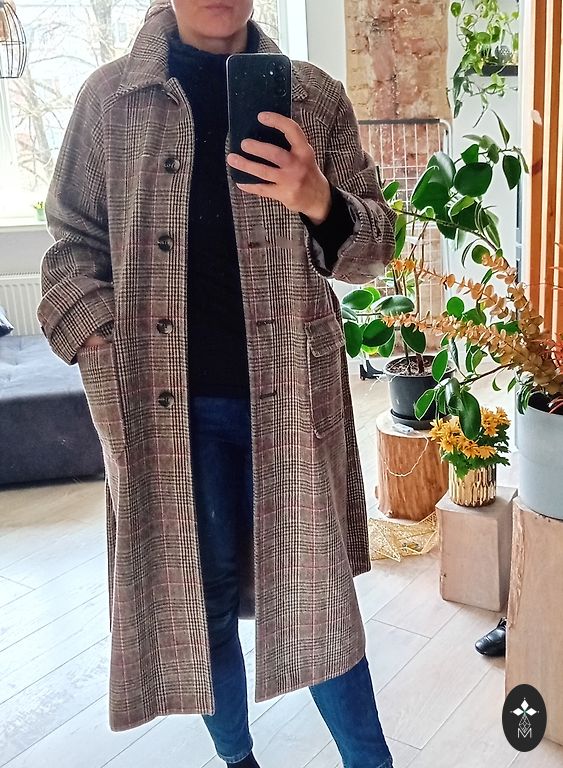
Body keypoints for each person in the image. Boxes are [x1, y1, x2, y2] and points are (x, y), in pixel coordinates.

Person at [37, 1, 397, 766]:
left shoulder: (313, 96)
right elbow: (70, 245)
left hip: (292, 402)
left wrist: (318, 200)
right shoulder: (109, 101)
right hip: (164, 412)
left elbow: (373, 249)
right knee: (198, 611)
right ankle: (238, 761)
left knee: (316, 599)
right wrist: (99, 341)